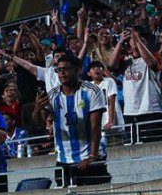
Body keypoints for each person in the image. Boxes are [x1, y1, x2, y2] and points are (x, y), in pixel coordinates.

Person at [35, 52, 109, 187]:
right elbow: (39, 123)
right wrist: (36, 109)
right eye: (59, 70)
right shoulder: (53, 95)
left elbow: (95, 126)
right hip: (63, 160)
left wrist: (92, 156)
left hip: (89, 158)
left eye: (66, 69)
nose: (62, 73)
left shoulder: (92, 91)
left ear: (77, 70)